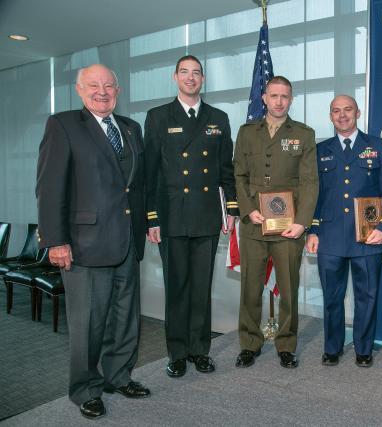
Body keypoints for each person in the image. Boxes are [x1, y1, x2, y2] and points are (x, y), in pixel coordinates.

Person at [36, 64, 150, 419]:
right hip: (84, 245)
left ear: (118, 90)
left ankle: (118, 376)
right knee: (88, 324)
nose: (102, 92)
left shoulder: (131, 128)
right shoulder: (64, 125)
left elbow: (137, 186)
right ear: (79, 89)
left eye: (109, 86)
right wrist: (56, 241)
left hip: (127, 244)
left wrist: (148, 225)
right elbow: (49, 187)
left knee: (124, 319)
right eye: (94, 86)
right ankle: (85, 388)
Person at [145, 55, 238, 378]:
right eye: (184, 72)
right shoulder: (158, 116)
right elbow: (150, 172)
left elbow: (227, 170)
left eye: (196, 73)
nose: (190, 77)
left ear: (203, 79)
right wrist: (151, 218)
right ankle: (177, 353)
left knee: (201, 287)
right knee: (177, 288)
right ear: (175, 78)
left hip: (205, 216)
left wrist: (232, 211)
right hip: (171, 216)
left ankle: (200, 350)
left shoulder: (218, 118)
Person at [233, 76, 319, 369]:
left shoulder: (304, 134)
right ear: (264, 98)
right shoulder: (246, 133)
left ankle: (286, 344)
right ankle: (249, 343)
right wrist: (247, 210)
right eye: (274, 95)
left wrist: (303, 222)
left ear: (291, 100)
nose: (279, 101)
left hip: (289, 226)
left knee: (288, 288)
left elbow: (310, 182)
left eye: (285, 96)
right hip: (254, 224)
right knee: (250, 288)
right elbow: (239, 176)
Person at [306, 95, 382, 367]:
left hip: (368, 237)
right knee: (332, 297)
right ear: (330, 116)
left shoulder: (377, 146)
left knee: (366, 296)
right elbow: (315, 196)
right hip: (330, 237)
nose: (342, 115)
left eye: (347, 110)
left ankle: (363, 348)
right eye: (336, 111)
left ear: (357, 112)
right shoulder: (320, 150)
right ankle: (332, 348)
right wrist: (313, 230)